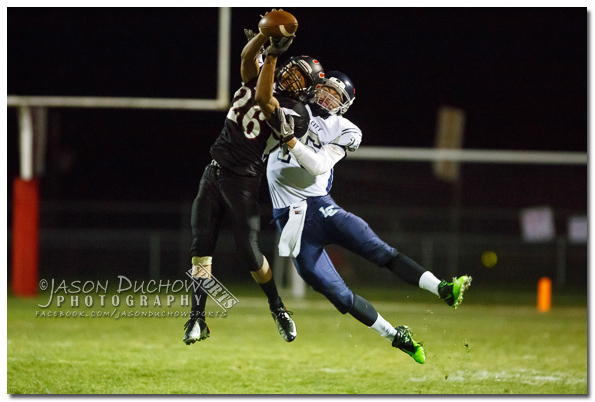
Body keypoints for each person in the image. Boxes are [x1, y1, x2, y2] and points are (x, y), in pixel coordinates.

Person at [257, 66, 472, 364]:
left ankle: (443, 289)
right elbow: (262, 98)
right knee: (338, 296)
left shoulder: (344, 128)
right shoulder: (293, 106)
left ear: (344, 104)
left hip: (321, 208)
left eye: (336, 95)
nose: (329, 97)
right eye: (327, 89)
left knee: (380, 251)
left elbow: (319, 166)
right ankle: (397, 336)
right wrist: (261, 64)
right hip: (290, 223)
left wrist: (291, 141)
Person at [182, 21, 321, 345]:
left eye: (300, 78)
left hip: (242, 181)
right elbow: (246, 60)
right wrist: (262, 37)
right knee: (201, 248)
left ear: (305, 90)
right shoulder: (263, 74)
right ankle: (197, 319)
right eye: (294, 71)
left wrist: (270, 55)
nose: (292, 77)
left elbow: (262, 98)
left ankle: (277, 308)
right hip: (213, 172)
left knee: (250, 254)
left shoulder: (297, 112)